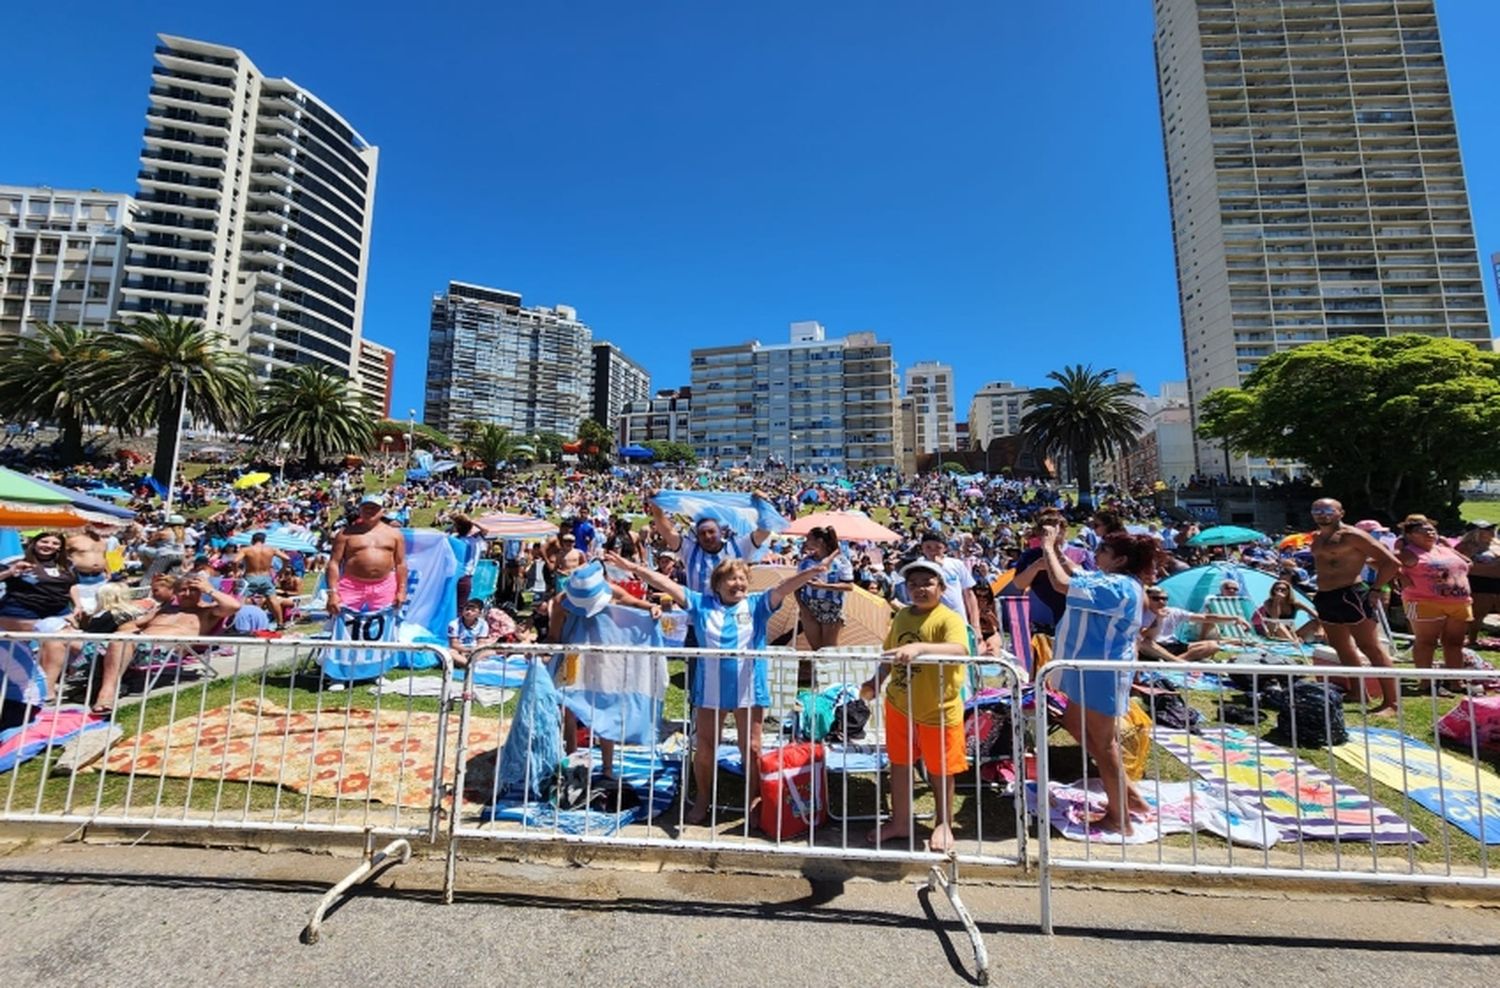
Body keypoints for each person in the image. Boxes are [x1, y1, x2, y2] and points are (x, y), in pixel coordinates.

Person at [602, 550, 827, 826]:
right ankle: (703, 799)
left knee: (753, 748)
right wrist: (631, 566)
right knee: (706, 746)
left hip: (749, 689)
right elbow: (665, 583)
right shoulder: (700, 603)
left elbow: (783, 588)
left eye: (743, 579)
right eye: (732, 579)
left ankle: (753, 800)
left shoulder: (757, 604)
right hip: (710, 689)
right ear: (718, 584)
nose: (739, 584)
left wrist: (809, 573)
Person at [1038, 524, 1157, 835]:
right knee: (1074, 724)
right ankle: (1130, 797)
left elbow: (1062, 583)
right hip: (1084, 670)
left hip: (1102, 672)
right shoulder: (1109, 580)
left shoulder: (1118, 587)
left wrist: (1048, 547)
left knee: (1105, 747)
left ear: (1119, 560)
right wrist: (1060, 549)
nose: (1095, 553)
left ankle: (1120, 818)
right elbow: (1076, 571)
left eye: (1103, 550)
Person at [858, 558, 972, 852]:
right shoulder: (902, 617)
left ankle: (943, 823)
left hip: (939, 710)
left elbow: (959, 649)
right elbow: (890, 655)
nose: (920, 589)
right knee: (899, 764)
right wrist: (875, 682)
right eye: (913, 584)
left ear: (941, 587)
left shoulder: (949, 618)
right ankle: (900, 822)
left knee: (940, 770)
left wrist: (920, 648)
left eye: (927, 583)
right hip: (899, 705)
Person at [1309, 498, 1400, 715]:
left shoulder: (1353, 536)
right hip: (1325, 596)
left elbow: (1392, 563)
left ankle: (1392, 703)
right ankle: (1358, 692)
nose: (1322, 514)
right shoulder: (1317, 538)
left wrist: (1377, 589)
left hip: (1351, 594)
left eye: (1328, 510)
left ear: (1341, 512)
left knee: (1370, 647)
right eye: (1317, 510)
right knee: (1341, 647)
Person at [1394, 514, 1472, 678]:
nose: (1430, 533)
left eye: (1432, 530)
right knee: (1426, 642)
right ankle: (1425, 681)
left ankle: (1455, 681)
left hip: (1459, 601)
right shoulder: (1408, 552)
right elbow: (1377, 561)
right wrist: (1400, 576)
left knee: (1455, 643)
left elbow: (1468, 563)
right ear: (1410, 535)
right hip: (1424, 601)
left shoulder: (1444, 548)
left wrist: (1455, 574)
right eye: (1423, 531)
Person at [0, 532, 77, 692]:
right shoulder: (15, 561)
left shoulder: (66, 564)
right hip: (21, 612)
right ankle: (38, 691)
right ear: (34, 542)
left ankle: (43, 687)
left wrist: (78, 605)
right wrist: (10, 572)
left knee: (75, 646)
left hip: (57, 612)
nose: (49, 545)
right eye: (44, 541)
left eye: (55, 543)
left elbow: (71, 585)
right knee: (19, 653)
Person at [325, 495, 407, 618]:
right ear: (360, 510)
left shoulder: (395, 535)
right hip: (351, 585)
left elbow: (400, 564)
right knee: (339, 618)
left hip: (385, 585)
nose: (370, 511)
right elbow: (334, 563)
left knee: (387, 623)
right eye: (366, 508)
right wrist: (332, 593)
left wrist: (401, 590)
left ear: (382, 511)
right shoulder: (345, 534)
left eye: (374, 508)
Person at [1138, 588, 1248, 662]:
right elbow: (1147, 636)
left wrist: (1234, 618)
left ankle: (1174, 663)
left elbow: (1205, 618)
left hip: (1173, 645)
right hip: (1154, 646)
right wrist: (1158, 619)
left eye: (1165, 598)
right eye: (1156, 599)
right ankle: (1179, 663)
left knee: (1213, 646)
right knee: (1144, 643)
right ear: (1147, 599)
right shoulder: (1140, 614)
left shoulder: (1173, 611)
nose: (1161, 602)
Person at [796, 526, 857, 653]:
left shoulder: (841, 561)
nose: (806, 541)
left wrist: (823, 586)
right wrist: (803, 608)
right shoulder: (806, 562)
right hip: (809, 605)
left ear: (820, 541)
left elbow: (849, 586)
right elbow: (797, 587)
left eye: (809, 538)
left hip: (831, 606)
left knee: (828, 650)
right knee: (816, 649)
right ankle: (817, 672)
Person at [1456, 521, 1500, 648]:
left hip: (1496, 580)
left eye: (1493, 528)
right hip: (1479, 582)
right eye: (1488, 529)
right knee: (1478, 613)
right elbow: (1461, 565)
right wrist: (1490, 568)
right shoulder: (1466, 546)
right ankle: (1472, 639)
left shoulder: (1496, 544)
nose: (1492, 530)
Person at [1251, 579, 1321, 644]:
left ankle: (1328, 644)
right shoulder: (1268, 603)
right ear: (1273, 591)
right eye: (1277, 589)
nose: (1280, 591)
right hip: (1274, 631)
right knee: (1278, 623)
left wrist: (1319, 629)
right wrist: (1277, 601)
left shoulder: (1295, 604)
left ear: (1288, 591)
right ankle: (1294, 642)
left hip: (1290, 632)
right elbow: (1275, 617)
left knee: (1314, 622)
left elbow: (1316, 615)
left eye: (1283, 589)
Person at [65, 528, 110, 616]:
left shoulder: (103, 541)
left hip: (100, 576)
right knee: (82, 609)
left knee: (102, 606)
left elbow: (104, 557)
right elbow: (61, 554)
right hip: (80, 576)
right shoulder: (74, 539)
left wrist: (108, 571)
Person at [447, 598, 497, 668]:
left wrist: (473, 651)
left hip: (474, 649)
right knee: (449, 653)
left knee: (491, 652)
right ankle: (470, 664)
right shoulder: (454, 624)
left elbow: (481, 642)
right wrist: (465, 651)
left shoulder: (483, 624)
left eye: (473, 611)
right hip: (459, 649)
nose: (469, 612)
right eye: (467, 609)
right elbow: (454, 644)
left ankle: (468, 663)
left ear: (479, 613)